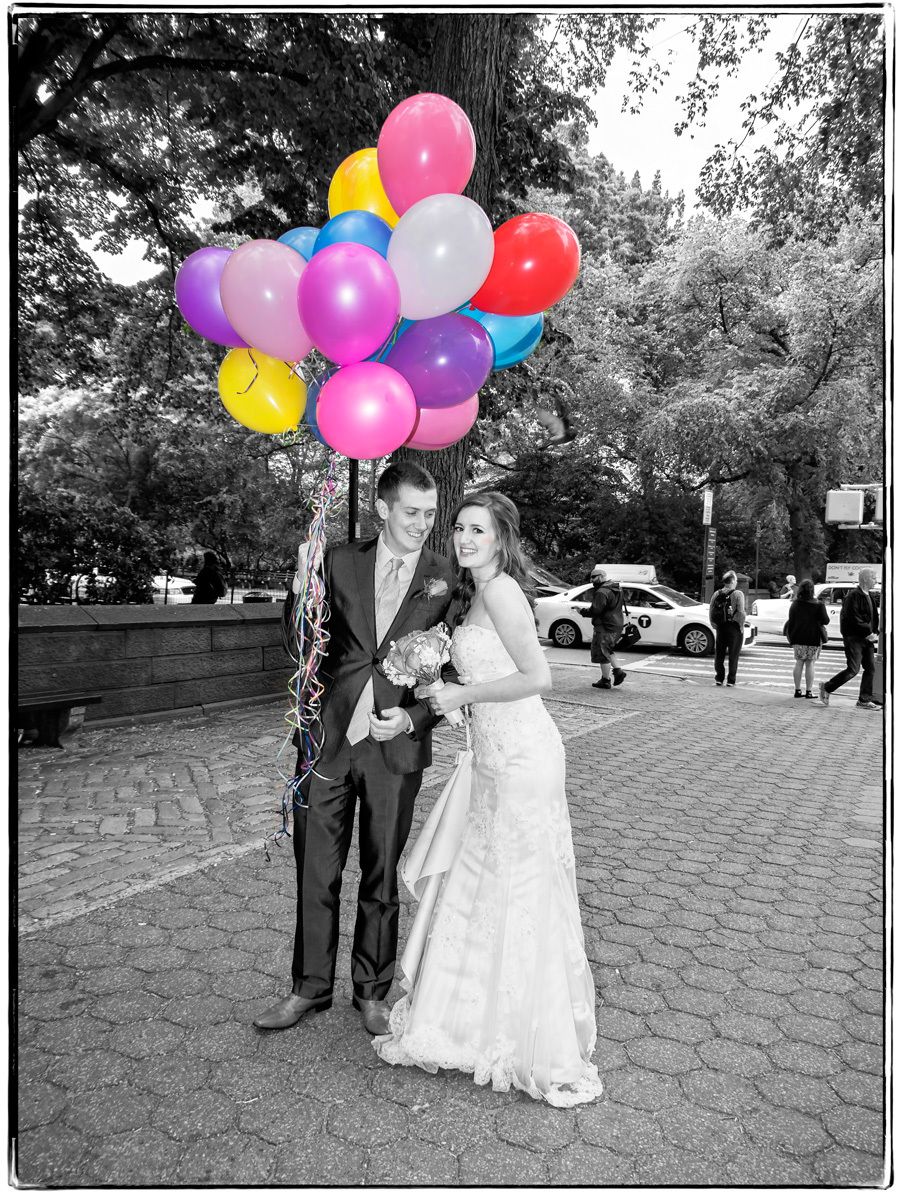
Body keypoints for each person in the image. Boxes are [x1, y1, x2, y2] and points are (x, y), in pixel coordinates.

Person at [373, 491, 603, 1108]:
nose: (463, 538)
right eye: (458, 528)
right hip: (493, 759)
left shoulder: (500, 591)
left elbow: (538, 679)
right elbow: (479, 679)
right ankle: (468, 1024)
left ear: (502, 538)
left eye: (478, 529)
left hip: (526, 758)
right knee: (482, 880)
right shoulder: (474, 596)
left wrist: (459, 697)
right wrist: (440, 692)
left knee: (518, 886)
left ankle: (526, 1034)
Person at [253, 462, 456, 1036]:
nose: (423, 524)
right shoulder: (337, 560)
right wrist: (298, 591)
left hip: (394, 750)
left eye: (429, 513)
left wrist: (415, 718)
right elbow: (300, 645)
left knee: (381, 874)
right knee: (315, 871)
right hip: (326, 740)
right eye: (412, 513)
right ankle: (308, 990)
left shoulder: (446, 575)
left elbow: (455, 668)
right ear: (382, 509)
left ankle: (372, 991)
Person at [818, 568, 881, 710]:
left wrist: (874, 633)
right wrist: (868, 632)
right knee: (853, 669)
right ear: (865, 579)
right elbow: (852, 618)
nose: (875, 580)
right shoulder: (853, 596)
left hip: (867, 639)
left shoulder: (869, 596)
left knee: (870, 669)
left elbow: (874, 619)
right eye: (873, 577)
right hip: (854, 638)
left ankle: (864, 700)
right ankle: (827, 687)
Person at [786, 579, 830, 698]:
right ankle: (809, 691)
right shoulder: (818, 604)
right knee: (810, 663)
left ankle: (797, 690)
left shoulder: (795, 604)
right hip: (813, 637)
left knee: (799, 662)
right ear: (812, 590)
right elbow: (826, 620)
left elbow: (791, 621)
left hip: (798, 637)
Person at [585, 566, 626, 689]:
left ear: (602, 577)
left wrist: (582, 611)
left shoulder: (602, 592)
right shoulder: (616, 588)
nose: (592, 580)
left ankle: (609, 677)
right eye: (591, 577)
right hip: (616, 624)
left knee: (603, 652)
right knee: (607, 650)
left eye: (594, 577)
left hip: (605, 626)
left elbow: (596, 610)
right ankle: (612, 675)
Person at [710, 570, 746, 687]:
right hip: (734, 627)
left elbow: (711, 610)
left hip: (721, 627)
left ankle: (719, 678)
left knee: (719, 654)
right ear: (733, 581)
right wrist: (740, 626)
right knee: (733, 654)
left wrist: (714, 624)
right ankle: (731, 680)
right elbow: (741, 612)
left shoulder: (716, 593)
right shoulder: (738, 594)